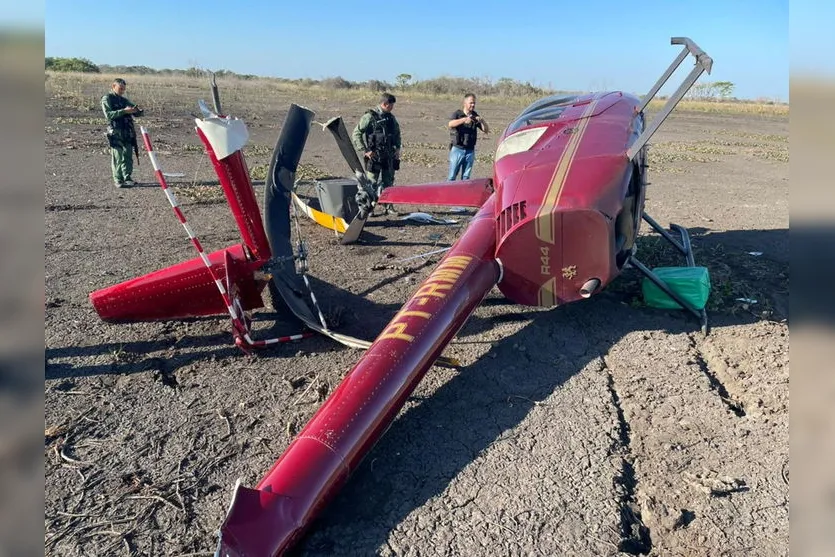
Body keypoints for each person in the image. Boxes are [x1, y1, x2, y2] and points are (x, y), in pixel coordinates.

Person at [352, 92, 402, 213]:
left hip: (388, 156)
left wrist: (397, 148)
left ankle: (388, 207)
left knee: (388, 182)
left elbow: (397, 133)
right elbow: (356, 133)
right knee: (371, 183)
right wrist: (365, 150)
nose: (392, 108)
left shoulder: (391, 118)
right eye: (391, 105)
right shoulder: (369, 117)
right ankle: (369, 208)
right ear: (385, 104)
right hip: (374, 156)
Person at [101, 78, 143, 187]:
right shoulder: (107, 98)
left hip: (127, 131)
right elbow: (109, 115)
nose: (122, 91)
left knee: (128, 155)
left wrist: (137, 110)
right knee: (117, 156)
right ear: (113, 87)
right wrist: (124, 111)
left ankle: (127, 177)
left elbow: (136, 111)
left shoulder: (124, 100)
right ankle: (118, 180)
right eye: (120, 89)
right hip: (115, 131)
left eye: (124, 89)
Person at [447, 93, 489, 181]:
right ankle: (448, 193)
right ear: (465, 103)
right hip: (457, 149)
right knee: (452, 176)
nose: (473, 105)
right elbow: (450, 124)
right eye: (471, 103)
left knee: (466, 177)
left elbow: (485, 130)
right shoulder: (458, 114)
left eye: (474, 103)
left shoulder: (474, 116)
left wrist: (482, 121)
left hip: (470, 151)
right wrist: (464, 120)